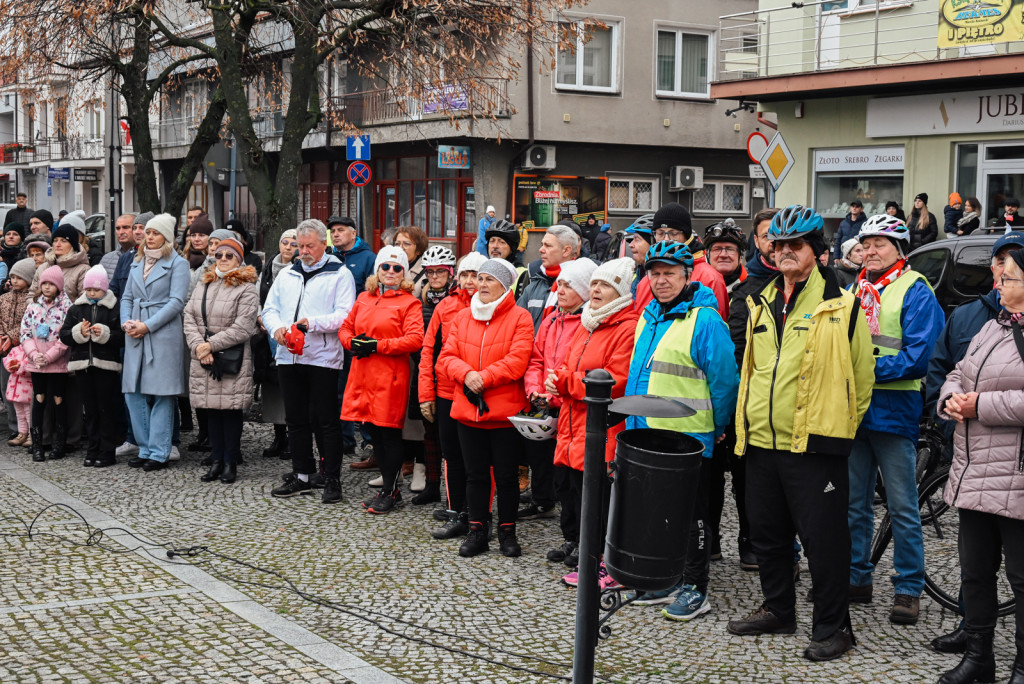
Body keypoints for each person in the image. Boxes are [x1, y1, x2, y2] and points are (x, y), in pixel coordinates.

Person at [727, 205, 874, 663]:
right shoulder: (760, 301)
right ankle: (778, 609)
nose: (785, 251)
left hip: (815, 444)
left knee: (824, 540)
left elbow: (862, 379)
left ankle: (834, 628)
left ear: (818, 252)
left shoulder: (842, 306)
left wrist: (837, 428)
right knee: (767, 535)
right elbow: (751, 369)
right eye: (779, 244)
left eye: (796, 245)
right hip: (762, 441)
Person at [624, 241, 738, 620]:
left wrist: (720, 426)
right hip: (647, 431)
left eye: (669, 273)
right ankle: (667, 579)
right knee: (660, 512)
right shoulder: (649, 315)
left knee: (694, 518)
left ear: (687, 275)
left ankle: (695, 587)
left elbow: (725, 381)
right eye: (655, 273)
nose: (661, 280)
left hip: (689, 437)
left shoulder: (705, 320)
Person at [923, 230, 1024, 656]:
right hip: (975, 471)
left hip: (1016, 477)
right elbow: (955, 372)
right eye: (999, 273)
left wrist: (979, 404)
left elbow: (983, 394)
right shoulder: (992, 327)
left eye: (1010, 277)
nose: (998, 281)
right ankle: (978, 658)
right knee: (976, 572)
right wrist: (951, 400)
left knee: (1021, 579)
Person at [846, 214, 944, 625]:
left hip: (893, 411)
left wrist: (860, 372)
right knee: (854, 504)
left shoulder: (915, 290)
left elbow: (916, 359)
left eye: (880, 244)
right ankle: (857, 577)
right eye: (865, 244)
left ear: (899, 250)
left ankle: (908, 588)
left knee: (902, 506)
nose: (870, 251)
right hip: (855, 411)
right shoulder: (855, 288)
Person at [543, 257, 638, 575]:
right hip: (572, 423)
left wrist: (565, 382)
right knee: (569, 488)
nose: (596, 289)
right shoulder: (590, 321)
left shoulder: (624, 327)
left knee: (594, 494)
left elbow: (614, 380)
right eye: (594, 283)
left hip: (597, 426)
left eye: (605, 285)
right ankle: (577, 542)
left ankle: (594, 556)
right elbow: (572, 366)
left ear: (621, 292)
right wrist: (557, 379)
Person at [437, 258, 534, 557]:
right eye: (480, 279)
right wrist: (467, 375)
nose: (481, 284)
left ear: (504, 286)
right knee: (475, 475)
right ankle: (477, 530)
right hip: (468, 411)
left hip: (503, 414)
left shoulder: (520, 317)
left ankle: (507, 531)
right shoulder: (463, 317)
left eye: (489, 279)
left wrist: (485, 377)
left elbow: (518, 360)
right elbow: (446, 356)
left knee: (505, 477)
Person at [266, 219, 355, 504]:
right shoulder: (287, 274)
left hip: (323, 357)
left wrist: (311, 324)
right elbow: (269, 308)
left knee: (326, 420)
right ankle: (301, 474)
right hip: (288, 356)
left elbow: (345, 315)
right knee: (295, 419)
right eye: (299, 246)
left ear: (323, 244)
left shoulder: (339, 273)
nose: (302, 251)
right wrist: (276, 328)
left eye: (309, 246)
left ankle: (331, 478)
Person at [339, 245, 424, 513]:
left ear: (404, 273)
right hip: (363, 374)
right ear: (377, 270)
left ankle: (391, 490)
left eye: (397, 267)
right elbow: (345, 327)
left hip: (390, 377)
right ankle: (389, 488)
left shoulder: (410, 303)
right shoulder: (364, 297)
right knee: (374, 433)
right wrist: (352, 343)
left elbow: (415, 339)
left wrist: (377, 346)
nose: (390, 272)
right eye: (385, 266)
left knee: (389, 434)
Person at [522, 258, 596, 527]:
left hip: (570, 404)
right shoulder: (552, 318)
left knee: (570, 474)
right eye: (559, 284)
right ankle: (548, 507)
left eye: (568, 285)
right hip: (545, 402)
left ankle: (577, 533)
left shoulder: (588, 324)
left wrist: (555, 392)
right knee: (546, 463)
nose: (559, 289)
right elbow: (536, 359)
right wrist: (534, 390)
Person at [421, 251, 487, 539]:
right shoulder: (445, 307)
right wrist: (426, 394)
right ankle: (456, 510)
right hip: (447, 391)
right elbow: (428, 352)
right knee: (452, 455)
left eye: (476, 275)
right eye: (466, 275)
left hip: (481, 392)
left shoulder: (492, 307)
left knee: (478, 458)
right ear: (457, 278)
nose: (471, 280)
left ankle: (479, 513)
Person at [183, 238, 259, 485]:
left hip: (231, 357)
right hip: (204, 356)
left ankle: (229, 462)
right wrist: (199, 346)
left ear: (239, 258)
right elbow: (189, 317)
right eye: (219, 255)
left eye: (229, 255)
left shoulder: (247, 287)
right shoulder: (204, 283)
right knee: (210, 410)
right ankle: (215, 460)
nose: (223, 260)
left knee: (230, 412)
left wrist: (211, 345)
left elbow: (244, 326)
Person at [120, 214, 191, 472]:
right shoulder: (136, 261)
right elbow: (126, 296)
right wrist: (126, 322)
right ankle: (145, 447)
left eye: (154, 233)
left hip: (163, 334)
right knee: (133, 391)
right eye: (147, 232)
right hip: (135, 332)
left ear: (166, 237)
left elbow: (176, 302)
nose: (148, 236)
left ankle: (160, 451)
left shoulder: (178, 264)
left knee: (162, 394)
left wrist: (147, 325)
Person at [58, 265, 124, 468]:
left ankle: (107, 450)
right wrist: (80, 332)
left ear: (105, 289)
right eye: (89, 290)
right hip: (83, 365)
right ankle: (92, 448)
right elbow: (64, 335)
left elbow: (121, 337)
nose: (92, 293)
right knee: (90, 409)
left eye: (96, 290)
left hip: (106, 365)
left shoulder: (114, 307)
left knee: (106, 408)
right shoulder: (77, 308)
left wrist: (104, 334)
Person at [409, 245, 457, 502]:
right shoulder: (422, 299)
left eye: (441, 271)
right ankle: (431, 484)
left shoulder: (461, 301)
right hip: (426, 371)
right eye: (430, 272)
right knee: (429, 432)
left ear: (450, 273)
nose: (435, 276)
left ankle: (453, 492)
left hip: (451, 375)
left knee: (450, 437)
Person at [633, 203, 728, 319]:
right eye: (660, 233)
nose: (666, 239)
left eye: (674, 233)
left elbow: (716, 327)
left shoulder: (710, 277)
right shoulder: (645, 280)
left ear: (686, 235)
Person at [21, 265, 72, 462]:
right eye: (44, 283)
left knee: (58, 399)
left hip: (57, 363)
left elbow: (66, 337)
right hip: (37, 363)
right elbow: (25, 332)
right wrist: (34, 355)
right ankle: (37, 444)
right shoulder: (33, 306)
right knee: (39, 399)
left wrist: (50, 356)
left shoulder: (67, 307)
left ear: (59, 286)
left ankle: (60, 443)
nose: (47, 287)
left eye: (51, 284)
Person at [257, 229, 298, 460]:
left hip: (290, 333)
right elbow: (258, 298)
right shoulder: (268, 267)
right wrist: (260, 317)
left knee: (291, 388)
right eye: (285, 242)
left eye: (294, 243)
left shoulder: (299, 268)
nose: (288, 246)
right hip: (268, 333)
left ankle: (294, 438)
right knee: (273, 387)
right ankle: (278, 436)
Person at [517, 224, 579, 331]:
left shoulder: (580, 287)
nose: (541, 249)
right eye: (542, 245)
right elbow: (516, 322)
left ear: (566, 251)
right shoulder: (534, 284)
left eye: (548, 246)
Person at [0, 258, 35, 445]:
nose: (14, 281)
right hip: (5, 350)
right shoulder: (3, 298)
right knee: (8, 389)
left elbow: (25, 323)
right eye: (12, 277)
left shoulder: (30, 300)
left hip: (22, 348)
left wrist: (11, 336)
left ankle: (29, 430)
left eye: (18, 277)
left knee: (24, 392)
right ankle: (15, 429)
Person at [30, 222, 90, 300]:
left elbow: (85, 300)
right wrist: (38, 307)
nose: (58, 244)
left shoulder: (83, 270)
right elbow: (31, 295)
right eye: (55, 240)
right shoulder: (43, 268)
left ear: (72, 245)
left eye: (63, 241)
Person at [328, 216, 375, 294]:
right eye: (332, 231)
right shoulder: (329, 258)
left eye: (340, 230)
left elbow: (372, 290)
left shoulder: (369, 258)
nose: (335, 235)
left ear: (353, 234)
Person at [111, 212, 151, 302]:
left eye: (142, 228)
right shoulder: (125, 258)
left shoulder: (162, 257)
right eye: (134, 228)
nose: (137, 232)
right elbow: (114, 290)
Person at [485, 219, 530, 297]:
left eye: (501, 242)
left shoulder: (523, 274)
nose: (495, 246)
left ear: (512, 248)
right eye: (492, 241)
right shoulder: (481, 271)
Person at [100, 214, 137, 280]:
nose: (121, 232)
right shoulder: (106, 259)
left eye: (126, 227)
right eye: (118, 228)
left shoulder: (146, 258)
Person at [627, 215, 655, 297]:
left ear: (653, 244)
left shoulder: (659, 282)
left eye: (637, 239)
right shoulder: (639, 273)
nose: (631, 245)